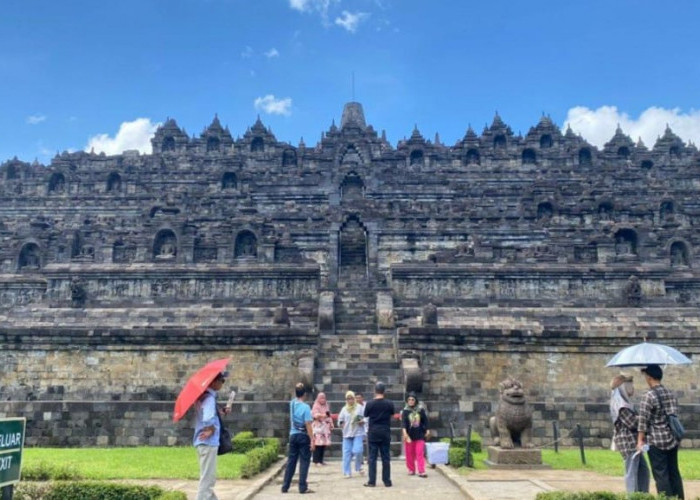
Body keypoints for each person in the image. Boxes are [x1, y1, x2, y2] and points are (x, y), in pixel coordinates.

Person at [636, 364, 684, 499]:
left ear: (649, 377)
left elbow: (642, 421)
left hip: (656, 440)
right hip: (672, 438)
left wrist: (640, 440)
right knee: (674, 472)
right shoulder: (670, 393)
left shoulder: (648, 395)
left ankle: (666, 498)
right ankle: (679, 497)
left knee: (661, 474)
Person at [193, 371, 230, 500]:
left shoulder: (203, 397)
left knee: (208, 478)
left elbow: (209, 414)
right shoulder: (209, 399)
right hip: (208, 442)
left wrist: (219, 412)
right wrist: (211, 428)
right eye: (222, 381)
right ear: (214, 382)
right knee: (207, 481)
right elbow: (208, 418)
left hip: (204, 443)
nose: (222, 384)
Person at [609, 374, 649, 493]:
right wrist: (644, 417)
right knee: (632, 472)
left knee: (643, 470)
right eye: (630, 384)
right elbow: (631, 423)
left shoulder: (624, 403)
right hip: (628, 442)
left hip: (633, 441)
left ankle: (642, 495)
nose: (632, 388)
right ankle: (632, 496)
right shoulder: (620, 404)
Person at [281, 383, 315, 494]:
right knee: (304, 461)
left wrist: (298, 386)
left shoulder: (292, 404)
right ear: (305, 394)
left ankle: (285, 486)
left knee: (291, 461)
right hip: (303, 436)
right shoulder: (306, 407)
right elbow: (308, 424)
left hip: (293, 435)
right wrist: (312, 440)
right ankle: (302, 486)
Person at [363, 381, 395, 487]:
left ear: (375, 390)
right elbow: (392, 414)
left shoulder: (370, 403)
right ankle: (387, 481)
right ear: (384, 391)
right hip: (385, 431)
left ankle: (372, 481)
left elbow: (366, 415)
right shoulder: (389, 403)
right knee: (386, 457)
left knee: (372, 458)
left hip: (373, 432)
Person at [337, 390, 366, 477]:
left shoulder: (359, 408)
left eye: (351, 398)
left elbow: (364, 418)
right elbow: (339, 420)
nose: (350, 400)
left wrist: (362, 421)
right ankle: (347, 472)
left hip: (357, 432)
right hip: (347, 433)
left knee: (358, 450)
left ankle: (358, 466)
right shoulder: (344, 409)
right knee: (346, 453)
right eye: (348, 399)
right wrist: (341, 423)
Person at [401, 391, 430, 478]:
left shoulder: (420, 410)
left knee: (419, 453)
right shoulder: (405, 411)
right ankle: (411, 469)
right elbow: (404, 423)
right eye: (409, 399)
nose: (410, 401)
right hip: (409, 435)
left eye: (412, 399)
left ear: (415, 400)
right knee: (409, 454)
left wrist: (427, 430)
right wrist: (405, 434)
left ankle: (421, 471)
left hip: (419, 434)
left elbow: (425, 420)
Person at [311, 392, 334, 466]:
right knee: (318, 444)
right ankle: (316, 460)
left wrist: (331, 423)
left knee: (323, 445)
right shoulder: (315, 406)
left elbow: (329, 415)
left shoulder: (326, 405)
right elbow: (315, 415)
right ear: (318, 399)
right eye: (321, 398)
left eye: (324, 398)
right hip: (318, 428)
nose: (323, 400)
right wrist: (323, 415)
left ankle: (321, 460)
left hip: (325, 428)